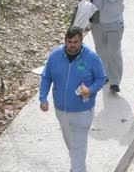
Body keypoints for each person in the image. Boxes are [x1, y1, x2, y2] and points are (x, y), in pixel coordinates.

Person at [39, 27, 107, 172]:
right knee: (71, 143)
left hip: (82, 110)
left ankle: (77, 169)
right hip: (61, 110)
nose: (72, 45)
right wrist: (43, 97)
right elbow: (46, 77)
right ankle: (79, 166)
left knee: (78, 144)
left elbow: (101, 78)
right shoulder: (55, 55)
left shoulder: (92, 58)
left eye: (75, 42)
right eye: (69, 41)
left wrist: (90, 90)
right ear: (65, 41)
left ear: (81, 41)